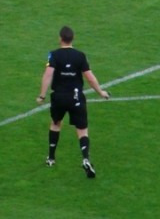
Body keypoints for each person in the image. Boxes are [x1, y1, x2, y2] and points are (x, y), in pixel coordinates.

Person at [36, 26, 111, 178]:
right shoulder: (80, 56)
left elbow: (48, 74)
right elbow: (89, 77)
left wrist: (42, 96)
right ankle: (85, 159)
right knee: (82, 130)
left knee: (56, 124)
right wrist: (101, 92)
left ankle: (51, 158)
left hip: (59, 97)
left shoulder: (53, 55)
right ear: (73, 39)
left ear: (60, 38)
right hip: (76, 97)